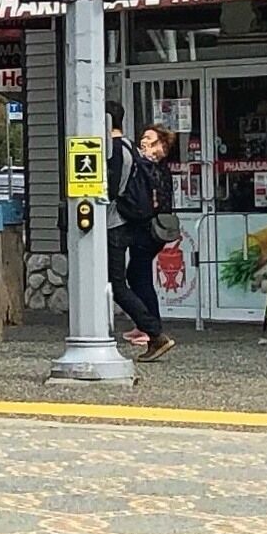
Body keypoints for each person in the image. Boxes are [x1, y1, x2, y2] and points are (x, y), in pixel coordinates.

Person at [111, 122, 176, 362]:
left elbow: (152, 192)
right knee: (136, 275)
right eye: (143, 137)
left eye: (150, 138)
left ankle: (151, 327)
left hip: (149, 230)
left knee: (138, 276)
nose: (144, 141)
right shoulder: (150, 164)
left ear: (162, 145)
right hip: (147, 229)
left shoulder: (155, 165)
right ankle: (147, 326)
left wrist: (145, 158)